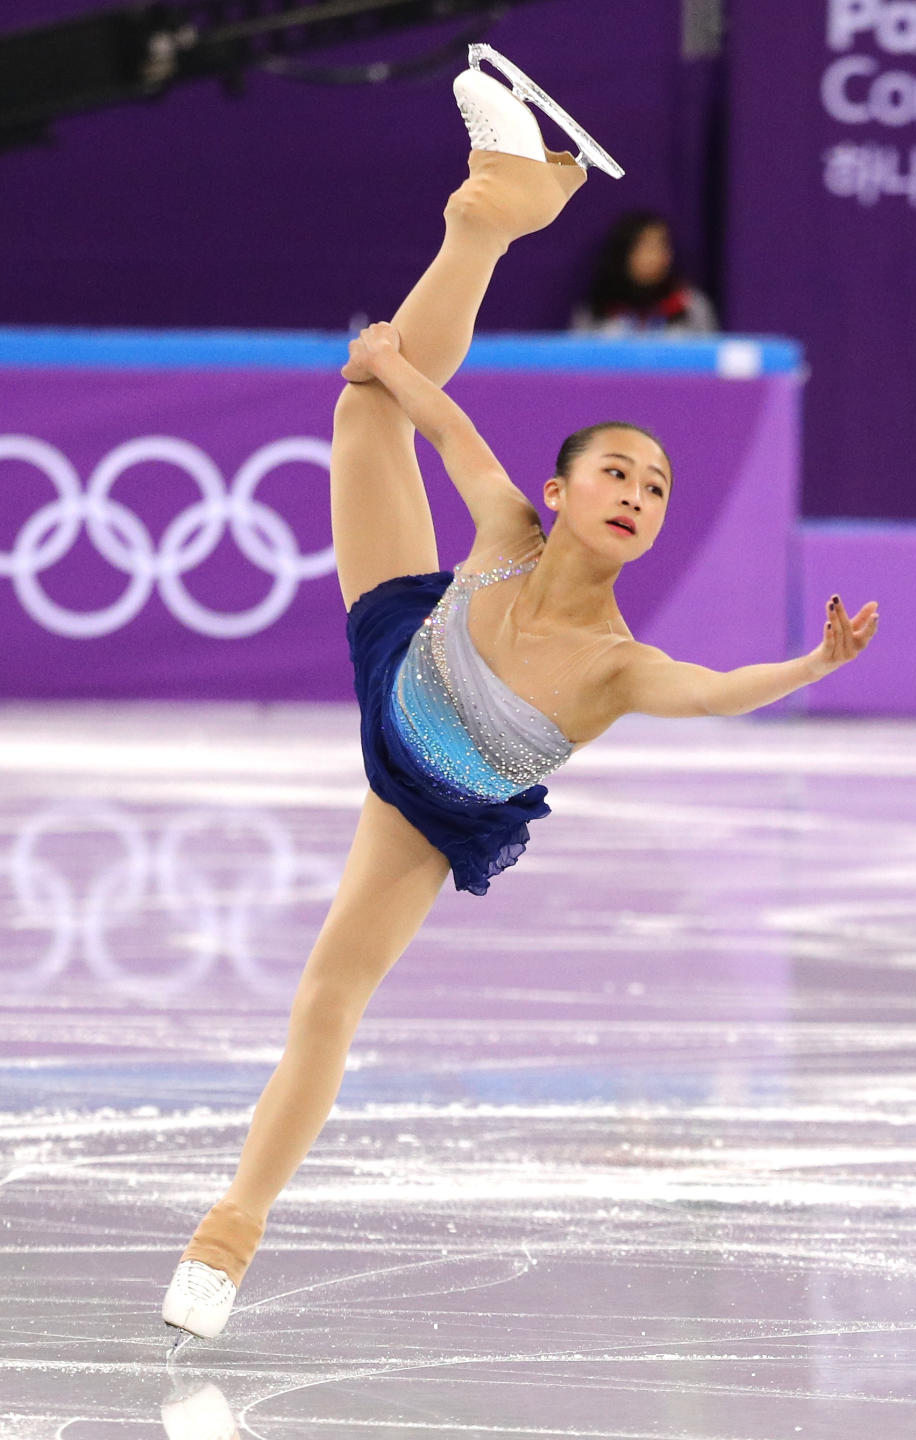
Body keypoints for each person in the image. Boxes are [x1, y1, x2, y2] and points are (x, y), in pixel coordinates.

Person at [161, 50, 878, 1344]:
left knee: (328, 1001)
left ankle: (228, 1237)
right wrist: (386, 354)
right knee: (363, 411)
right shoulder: (502, 522)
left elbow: (718, 692)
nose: (637, 495)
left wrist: (811, 667)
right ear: (563, 493)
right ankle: (488, 213)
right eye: (618, 471)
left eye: (657, 490)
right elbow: (441, 425)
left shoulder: (620, 668)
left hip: (430, 798)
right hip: (405, 650)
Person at [571, 210, 718, 334]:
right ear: (623, 254)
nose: (653, 257)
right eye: (644, 247)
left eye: (661, 246)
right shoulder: (595, 312)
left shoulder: (691, 306)